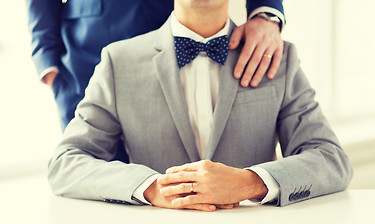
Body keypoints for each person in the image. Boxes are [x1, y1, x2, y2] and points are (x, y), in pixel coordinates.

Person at [48, 0, 353, 212]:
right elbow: (65, 163)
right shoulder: (119, 62)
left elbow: (331, 160)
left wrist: (250, 183)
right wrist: (153, 188)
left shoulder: (278, 58)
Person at [25, 0, 285, 130]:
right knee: (95, 179)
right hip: (87, 54)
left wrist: (266, 12)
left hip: (180, 37)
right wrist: (47, 61)